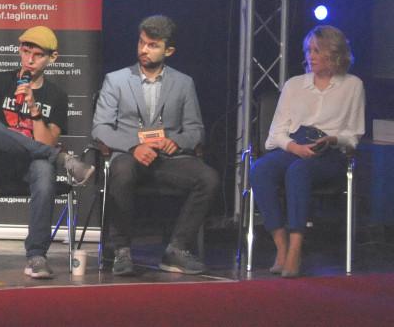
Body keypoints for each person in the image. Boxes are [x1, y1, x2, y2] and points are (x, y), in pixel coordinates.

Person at [90, 14, 219, 276]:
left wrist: (176, 142)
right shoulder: (116, 80)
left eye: (152, 45)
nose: (144, 50)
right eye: (141, 43)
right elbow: (100, 128)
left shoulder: (183, 83)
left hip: (167, 159)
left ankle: (177, 248)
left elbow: (196, 130)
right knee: (122, 171)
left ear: (168, 51)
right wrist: (133, 146)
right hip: (130, 156)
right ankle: (121, 250)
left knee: (208, 178)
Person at [0, 25, 95, 279]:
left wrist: (34, 108)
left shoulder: (56, 96)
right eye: (26, 52)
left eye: (37, 55)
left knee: (44, 167)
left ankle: (37, 256)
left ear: (52, 58)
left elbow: (46, 142)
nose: (29, 59)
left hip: (30, 166)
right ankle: (63, 159)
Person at [248, 25, 365, 278]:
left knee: (298, 171)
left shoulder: (352, 85)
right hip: (295, 144)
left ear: (334, 54)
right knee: (261, 170)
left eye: (317, 51)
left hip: (329, 151)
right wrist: (295, 147)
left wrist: (333, 138)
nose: (311, 56)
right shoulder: (294, 85)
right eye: (309, 50)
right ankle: (281, 246)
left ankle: (295, 249)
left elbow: (354, 136)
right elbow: (275, 134)